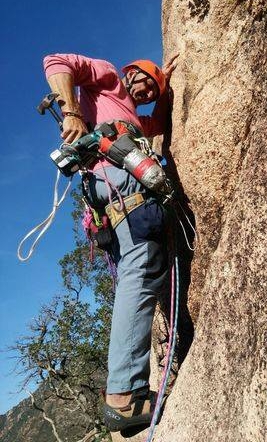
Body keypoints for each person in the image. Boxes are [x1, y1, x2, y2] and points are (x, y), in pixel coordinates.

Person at [43, 52, 178, 432]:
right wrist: (70, 111)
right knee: (141, 270)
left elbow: (161, 122)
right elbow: (55, 61)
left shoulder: (139, 117)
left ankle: (125, 390)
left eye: (152, 86)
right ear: (127, 72)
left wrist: (166, 87)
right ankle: (124, 395)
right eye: (142, 77)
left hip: (115, 202)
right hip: (122, 189)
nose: (145, 86)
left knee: (140, 273)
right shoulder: (106, 79)